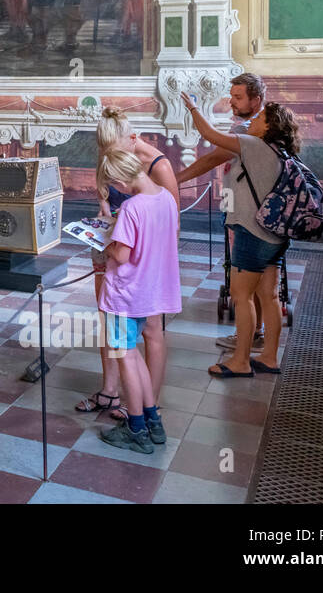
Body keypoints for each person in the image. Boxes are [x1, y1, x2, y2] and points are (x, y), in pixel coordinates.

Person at [182, 91, 299, 378]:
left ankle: (241, 361)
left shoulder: (253, 144)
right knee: (269, 297)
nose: (254, 120)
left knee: (241, 295)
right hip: (274, 235)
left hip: (252, 232)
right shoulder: (278, 148)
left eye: (260, 118)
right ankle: (269, 357)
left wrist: (193, 107)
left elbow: (210, 135)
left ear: (269, 126)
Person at [77, 108, 180, 420]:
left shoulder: (159, 165)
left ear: (133, 140)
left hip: (145, 263)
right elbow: (106, 201)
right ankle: (110, 391)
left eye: (114, 152)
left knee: (151, 330)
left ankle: (149, 405)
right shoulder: (110, 155)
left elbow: (170, 222)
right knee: (111, 323)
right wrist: (104, 221)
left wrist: (133, 250)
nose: (108, 158)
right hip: (115, 252)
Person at [94, 145, 181, 454]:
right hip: (149, 292)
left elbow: (122, 253)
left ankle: (135, 429)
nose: (116, 190)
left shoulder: (133, 207)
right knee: (135, 355)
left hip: (124, 295)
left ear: (120, 179)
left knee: (125, 357)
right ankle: (152, 419)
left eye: (114, 184)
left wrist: (104, 240)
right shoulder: (166, 198)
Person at [177, 73, 269, 353]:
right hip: (246, 214)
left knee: (245, 286)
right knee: (259, 285)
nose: (232, 102)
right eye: (231, 96)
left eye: (238, 97)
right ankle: (256, 335)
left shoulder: (252, 129)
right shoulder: (250, 125)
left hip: (248, 218)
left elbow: (211, 155)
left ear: (257, 100)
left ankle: (248, 342)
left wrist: (172, 179)